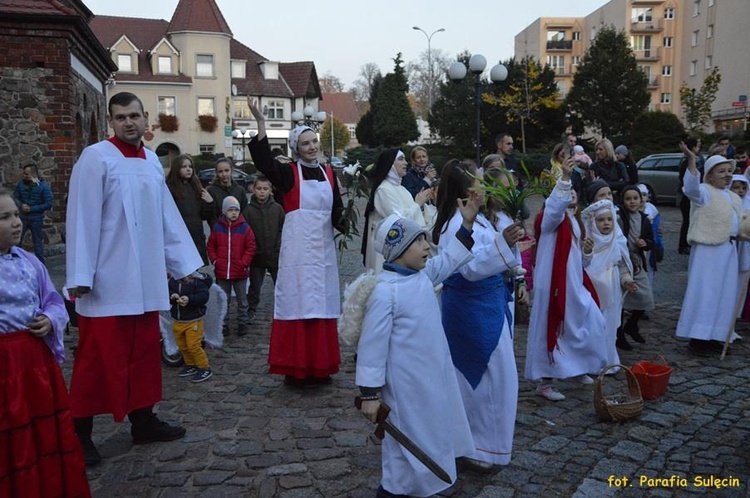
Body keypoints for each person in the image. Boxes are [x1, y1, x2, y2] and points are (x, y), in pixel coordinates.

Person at [66, 92, 204, 466]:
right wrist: (80, 275)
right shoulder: (95, 158)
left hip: (145, 280)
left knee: (143, 354)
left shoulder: (149, 163)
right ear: (111, 122)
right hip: (106, 280)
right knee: (97, 360)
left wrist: (185, 264)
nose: (129, 123)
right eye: (120, 117)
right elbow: (82, 217)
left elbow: (166, 217)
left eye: (134, 116)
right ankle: (79, 434)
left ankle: (143, 421)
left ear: (146, 120)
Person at [356, 195, 480, 498]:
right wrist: (370, 394)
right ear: (397, 251)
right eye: (419, 242)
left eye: (426, 240)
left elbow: (449, 260)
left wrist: (466, 224)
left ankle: (425, 483)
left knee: (431, 430)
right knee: (403, 440)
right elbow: (372, 346)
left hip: (431, 378)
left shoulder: (421, 276)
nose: (427, 247)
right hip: (404, 385)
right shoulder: (385, 293)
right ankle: (394, 490)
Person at [433, 160, 525, 470]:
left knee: (500, 379)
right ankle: (478, 446)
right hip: (470, 313)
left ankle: (487, 443)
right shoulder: (452, 227)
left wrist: (510, 247)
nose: (486, 190)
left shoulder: (483, 221)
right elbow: (469, 269)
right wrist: (504, 244)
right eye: (480, 185)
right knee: (485, 381)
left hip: (489, 305)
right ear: (464, 192)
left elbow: (494, 254)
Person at [0, 188, 91, 498]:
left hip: (35, 362)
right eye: (5, 217)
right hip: (5, 365)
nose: (15, 223)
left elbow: (51, 299)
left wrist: (51, 319)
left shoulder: (28, 260)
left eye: (15, 215)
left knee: (42, 432)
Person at [247, 98, 344, 387]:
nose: (312, 147)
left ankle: (321, 366)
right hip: (298, 251)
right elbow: (264, 162)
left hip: (323, 250)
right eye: (305, 144)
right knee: (298, 304)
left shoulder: (329, 173)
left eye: (314, 141)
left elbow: (336, 208)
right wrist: (261, 124)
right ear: (295, 149)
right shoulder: (288, 172)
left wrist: (345, 221)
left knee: (322, 305)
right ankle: (296, 368)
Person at [526, 157, 608, 401]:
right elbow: (554, 208)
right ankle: (545, 382)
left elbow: (577, 261)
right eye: (565, 190)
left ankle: (578, 367)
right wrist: (564, 177)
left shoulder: (574, 220)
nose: (570, 193)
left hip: (574, 285)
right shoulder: (550, 219)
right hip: (553, 286)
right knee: (549, 329)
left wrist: (587, 252)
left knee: (592, 320)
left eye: (573, 189)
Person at [676, 146, 741, 356]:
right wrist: (692, 161)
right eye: (721, 171)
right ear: (710, 176)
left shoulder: (734, 197)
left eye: (728, 171)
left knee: (725, 293)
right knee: (706, 292)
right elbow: (690, 189)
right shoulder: (704, 191)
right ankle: (698, 337)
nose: (727, 175)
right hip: (708, 250)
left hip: (729, 250)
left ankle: (718, 335)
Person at [581, 199, 636, 369]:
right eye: (601, 220)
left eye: (609, 219)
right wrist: (587, 252)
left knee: (610, 327)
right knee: (593, 327)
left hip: (612, 293)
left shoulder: (616, 242)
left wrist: (627, 281)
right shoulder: (587, 242)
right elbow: (581, 267)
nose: (606, 223)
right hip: (592, 292)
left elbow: (622, 266)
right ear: (593, 222)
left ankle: (609, 361)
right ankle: (590, 363)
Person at [363, 149, 433, 271]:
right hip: (387, 250)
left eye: (405, 159)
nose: (405, 163)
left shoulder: (402, 189)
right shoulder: (383, 190)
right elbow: (398, 223)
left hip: (404, 249)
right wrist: (417, 203)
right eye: (401, 159)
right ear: (390, 165)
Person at [207, 196, 256, 336]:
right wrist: (215, 261)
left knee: (242, 300)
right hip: (223, 272)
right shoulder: (218, 227)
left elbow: (251, 246)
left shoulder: (245, 228)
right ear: (224, 212)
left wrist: (244, 262)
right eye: (230, 210)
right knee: (224, 300)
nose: (233, 213)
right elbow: (211, 246)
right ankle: (224, 324)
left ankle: (242, 323)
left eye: (236, 210)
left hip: (240, 271)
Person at [616, 185, 655, 350]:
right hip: (623, 260)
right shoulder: (620, 217)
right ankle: (619, 334)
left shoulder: (645, 219)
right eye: (628, 199)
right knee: (621, 300)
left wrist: (645, 243)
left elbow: (651, 240)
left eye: (635, 198)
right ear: (623, 201)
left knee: (645, 296)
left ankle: (632, 324)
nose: (632, 202)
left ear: (641, 200)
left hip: (638, 261)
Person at [242, 174, 285, 321]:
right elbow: (245, 233)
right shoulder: (247, 211)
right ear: (253, 190)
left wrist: (278, 246)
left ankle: (284, 310)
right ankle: (251, 310)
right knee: (254, 287)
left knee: (281, 285)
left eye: (265, 188)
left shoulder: (277, 209)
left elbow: (282, 229)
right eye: (259, 188)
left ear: (270, 190)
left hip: (274, 254)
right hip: (256, 256)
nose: (262, 191)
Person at [166, 154, 214, 264]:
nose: (188, 169)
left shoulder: (196, 187)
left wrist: (209, 203)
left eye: (190, 166)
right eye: (184, 167)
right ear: (176, 168)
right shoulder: (169, 188)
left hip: (196, 238)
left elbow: (204, 215)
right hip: (179, 239)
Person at [168, 271, 214, 382]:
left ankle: (204, 367)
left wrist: (189, 299)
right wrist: (173, 297)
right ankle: (190, 364)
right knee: (182, 345)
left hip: (193, 320)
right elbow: (168, 293)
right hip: (178, 320)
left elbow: (203, 297)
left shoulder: (197, 282)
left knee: (193, 346)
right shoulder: (173, 281)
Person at [13, 163, 53, 264]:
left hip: (36, 219)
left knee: (38, 244)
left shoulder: (43, 186)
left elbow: (48, 203)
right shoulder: (20, 185)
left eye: (27, 174)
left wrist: (32, 209)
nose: (24, 176)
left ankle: (41, 266)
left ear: (34, 174)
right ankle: (16, 264)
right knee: (16, 242)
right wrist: (21, 205)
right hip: (22, 218)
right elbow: (15, 197)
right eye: (24, 174)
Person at [677, 137, 704, 254]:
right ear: (693, 148)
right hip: (686, 198)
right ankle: (683, 245)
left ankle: (685, 244)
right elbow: (687, 181)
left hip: (688, 198)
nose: (699, 148)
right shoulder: (687, 162)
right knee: (687, 222)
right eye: (698, 146)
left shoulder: (694, 160)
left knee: (689, 221)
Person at [206, 158, 248, 227]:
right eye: (220, 171)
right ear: (216, 173)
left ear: (232, 170)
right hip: (220, 233)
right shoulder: (211, 191)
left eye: (226, 170)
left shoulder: (240, 190)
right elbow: (211, 216)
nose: (224, 174)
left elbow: (245, 213)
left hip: (238, 232)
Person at [638, 184, 662, 285]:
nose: (642, 198)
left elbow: (656, 231)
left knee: (649, 269)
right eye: (639, 195)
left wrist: (659, 246)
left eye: (644, 195)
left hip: (649, 246)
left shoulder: (652, 210)